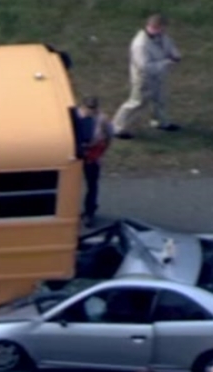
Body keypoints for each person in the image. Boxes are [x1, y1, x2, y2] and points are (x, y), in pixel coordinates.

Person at [112, 14, 183, 138]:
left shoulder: (161, 36)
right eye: (162, 28)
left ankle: (161, 122)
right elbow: (144, 67)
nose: (164, 31)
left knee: (160, 99)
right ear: (155, 27)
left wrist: (175, 55)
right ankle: (117, 127)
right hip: (143, 78)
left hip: (159, 75)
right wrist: (166, 63)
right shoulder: (140, 44)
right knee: (136, 102)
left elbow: (169, 46)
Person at [73, 96, 113, 226]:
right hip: (76, 153)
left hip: (92, 154)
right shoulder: (75, 117)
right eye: (89, 108)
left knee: (92, 184)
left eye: (94, 108)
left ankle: (89, 212)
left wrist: (100, 153)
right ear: (83, 106)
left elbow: (109, 136)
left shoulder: (102, 119)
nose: (92, 111)